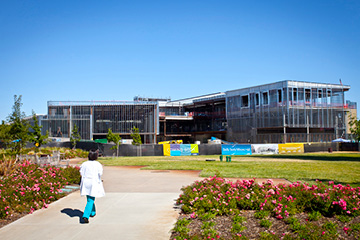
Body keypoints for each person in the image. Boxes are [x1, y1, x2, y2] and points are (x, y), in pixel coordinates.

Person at [79, 150, 105, 223]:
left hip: (85, 182)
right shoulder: (97, 164)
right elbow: (100, 173)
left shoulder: (84, 164)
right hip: (93, 182)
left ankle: (92, 212)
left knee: (89, 198)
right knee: (91, 199)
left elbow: (81, 172)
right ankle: (85, 215)